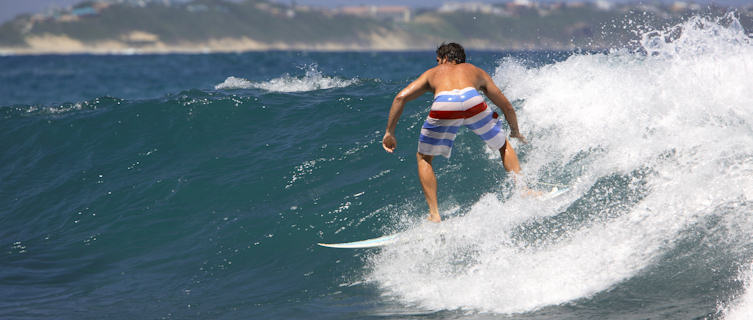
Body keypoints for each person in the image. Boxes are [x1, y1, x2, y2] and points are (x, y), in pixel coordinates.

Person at [381, 42, 527, 223]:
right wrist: (515, 131)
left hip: (444, 104)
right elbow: (506, 105)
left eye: (437, 60)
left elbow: (400, 97)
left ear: (444, 59)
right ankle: (523, 190)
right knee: (503, 145)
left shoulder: (432, 73)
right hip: (472, 99)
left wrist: (390, 132)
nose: (437, 64)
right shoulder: (474, 70)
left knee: (424, 158)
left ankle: (434, 214)